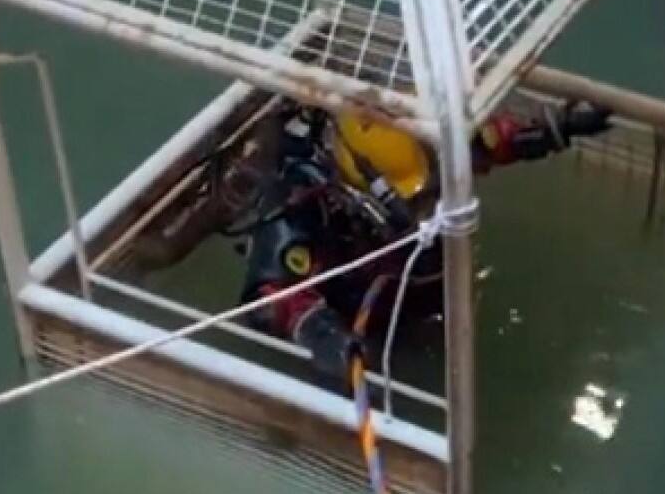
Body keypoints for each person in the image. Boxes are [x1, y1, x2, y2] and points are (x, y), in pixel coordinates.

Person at [231, 101, 611, 384]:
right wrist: (321, 334)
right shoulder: (300, 203)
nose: (426, 208)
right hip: (360, 323)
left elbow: (488, 142)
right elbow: (270, 298)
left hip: (423, 292)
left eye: (426, 193)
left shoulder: (424, 151)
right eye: (413, 200)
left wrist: (556, 129)